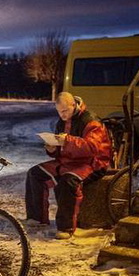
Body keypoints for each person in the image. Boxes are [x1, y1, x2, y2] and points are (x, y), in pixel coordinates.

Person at [25, 92, 111, 239]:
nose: (62, 115)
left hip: (93, 163)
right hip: (67, 162)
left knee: (67, 181)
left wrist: (68, 141)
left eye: (64, 111)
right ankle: (37, 218)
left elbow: (92, 148)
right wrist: (52, 149)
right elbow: (61, 148)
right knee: (35, 173)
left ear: (73, 105)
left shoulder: (91, 121)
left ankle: (66, 228)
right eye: (59, 111)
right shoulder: (62, 122)